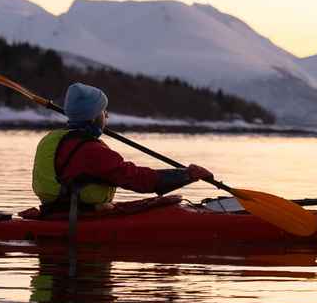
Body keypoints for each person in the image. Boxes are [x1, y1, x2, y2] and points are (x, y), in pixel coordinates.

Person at [32, 83, 214, 213]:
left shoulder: (50, 139)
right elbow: (138, 180)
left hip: (56, 211)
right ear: (95, 117)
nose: (107, 116)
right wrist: (187, 175)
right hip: (80, 216)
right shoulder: (91, 151)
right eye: (104, 112)